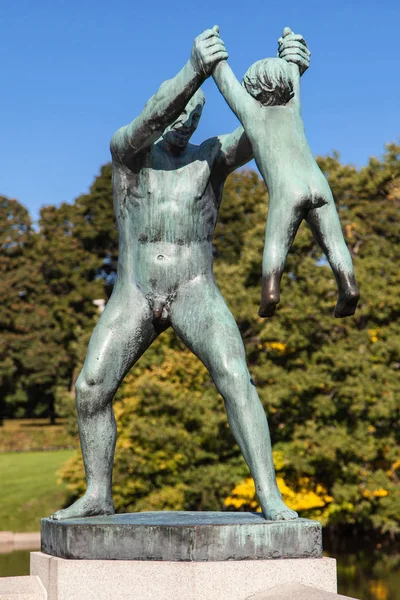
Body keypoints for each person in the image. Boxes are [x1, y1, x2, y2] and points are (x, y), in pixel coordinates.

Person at [51, 26, 310, 522]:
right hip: (135, 289)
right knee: (90, 389)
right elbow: (150, 117)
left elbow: (267, 129)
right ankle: (98, 492)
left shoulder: (210, 159)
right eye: (179, 111)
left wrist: (292, 76)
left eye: (194, 114)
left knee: (237, 378)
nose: (184, 121)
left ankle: (269, 494)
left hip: (195, 289)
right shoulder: (128, 156)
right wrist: (194, 70)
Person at [213, 27, 359, 318]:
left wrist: (215, 55)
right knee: (333, 241)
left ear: (252, 89)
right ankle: (348, 286)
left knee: (277, 241)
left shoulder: (253, 114)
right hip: (319, 183)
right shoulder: (294, 107)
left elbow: (225, 83)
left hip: (287, 188)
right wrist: (289, 52)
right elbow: (293, 72)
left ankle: (270, 291)